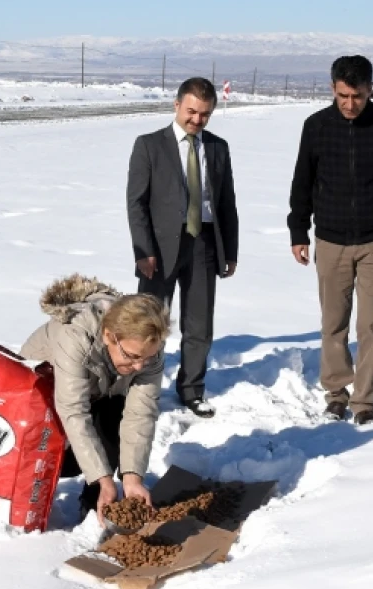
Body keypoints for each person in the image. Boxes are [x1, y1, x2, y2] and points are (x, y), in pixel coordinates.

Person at [287, 55, 373, 425]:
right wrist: (298, 231)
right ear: (332, 88)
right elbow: (302, 183)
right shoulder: (315, 127)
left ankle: (364, 401)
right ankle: (336, 393)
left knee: (372, 325)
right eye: (344, 95)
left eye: (358, 96)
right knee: (333, 323)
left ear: (370, 90)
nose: (350, 104)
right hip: (330, 241)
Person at [126, 77, 239, 419]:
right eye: (191, 111)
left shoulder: (218, 148)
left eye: (204, 114)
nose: (196, 120)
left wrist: (229, 251)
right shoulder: (149, 145)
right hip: (158, 251)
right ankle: (143, 389)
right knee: (147, 324)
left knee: (199, 324)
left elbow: (226, 204)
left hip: (203, 244)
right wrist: (143, 250)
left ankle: (192, 389)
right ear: (177, 106)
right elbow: (136, 203)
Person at [19, 275, 170, 523]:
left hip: (95, 396)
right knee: (50, 458)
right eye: (132, 356)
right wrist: (101, 475)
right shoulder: (74, 335)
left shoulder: (148, 346)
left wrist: (132, 478)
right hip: (37, 405)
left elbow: (141, 413)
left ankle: (97, 502)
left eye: (146, 358)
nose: (140, 366)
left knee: (116, 412)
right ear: (110, 336)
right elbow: (73, 411)